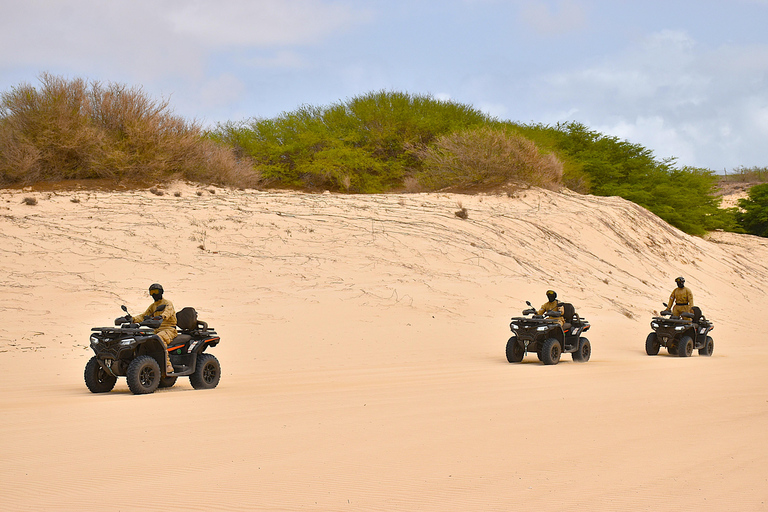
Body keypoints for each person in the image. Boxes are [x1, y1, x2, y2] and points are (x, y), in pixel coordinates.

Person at [131, 283, 177, 375]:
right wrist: (133, 319)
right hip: (156, 329)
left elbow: (168, 312)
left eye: (155, 291)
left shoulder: (167, 303)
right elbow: (144, 316)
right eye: (151, 292)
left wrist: (162, 316)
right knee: (143, 338)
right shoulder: (153, 306)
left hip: (169, 329)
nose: (154, 294)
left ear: (161, 292)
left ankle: (168, 365)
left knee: (159, 338)